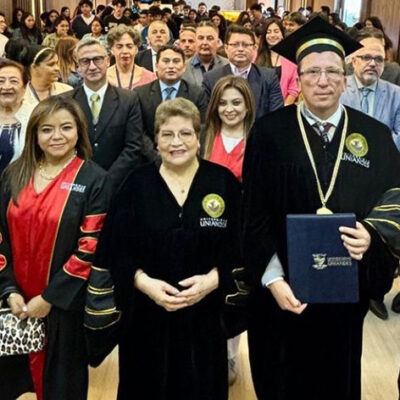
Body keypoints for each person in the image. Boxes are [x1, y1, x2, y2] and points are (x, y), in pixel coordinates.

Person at [242, 16, 400, 400]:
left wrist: (372, 235)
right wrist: (272, 279)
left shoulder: (374, 136)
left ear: (345, 77)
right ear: (299, 77)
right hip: (284, 291)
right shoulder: (269, 133)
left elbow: (396, 196)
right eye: (313, 72)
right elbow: (253, 212)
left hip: (345, 290)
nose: (323, 81)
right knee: (282, 378)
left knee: (336, 380)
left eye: (332, 71)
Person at [94, 97, 241, 400]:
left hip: (205, 315)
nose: (177, 142)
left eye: (186, 133)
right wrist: (143, 283)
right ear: (156, 140)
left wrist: (213, 280)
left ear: (198, 138)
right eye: (167, 134)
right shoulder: (136, 184)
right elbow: (115, 246)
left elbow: (241, 245)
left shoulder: (222, 182)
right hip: (145, 315)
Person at [0, 96, 112, 400]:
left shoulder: (94, 180)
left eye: (66, 127)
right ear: (34, 134)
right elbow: (1, 239)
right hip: (14, 305)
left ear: (79, 131)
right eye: (47, 129)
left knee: (62, 387)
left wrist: (49, 298)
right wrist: (9, 289)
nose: (57, 136)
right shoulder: (13, 176)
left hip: (64, 307)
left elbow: (91, 247)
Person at [67, 39, 142, 189]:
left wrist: (108, 180)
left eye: (97, 59)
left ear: (108, 61)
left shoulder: (128, 100)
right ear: (78, 66)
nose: (92, 66)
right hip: (76, 183)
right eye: (85, 61)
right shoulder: (66, 101)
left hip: (118, 184)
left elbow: (133, 146)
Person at [135, 44, 207, 161]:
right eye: (166, 61)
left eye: (176, 61)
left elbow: (201, 129)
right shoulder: (140, 94)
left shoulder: (197, 94)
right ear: (157, 66)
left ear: (184, 67)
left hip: (186, 158)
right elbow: (139, 131)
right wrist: (157, 157)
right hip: (149, 160)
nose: (171, 66)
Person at [203, 24, 284, 121]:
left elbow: (277, 115)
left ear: (254, 48)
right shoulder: (211, 78)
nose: (240, 49)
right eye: (235, 44)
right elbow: (208, 117)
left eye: (246, 45)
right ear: (226, 48)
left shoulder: (269, 77)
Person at [205, 75, 255, 182]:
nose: (229, 109)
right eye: (222, 103)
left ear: (247, 106)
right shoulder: (203, 137)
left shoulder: (257, 141)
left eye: (236, 103)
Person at [0, 59, 35, 173]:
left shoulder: (35, 116)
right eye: (1, 81)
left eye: (13, 81)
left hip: (22, 185)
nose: (6, 86)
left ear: (24, 87)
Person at [256, 18, 299, 105]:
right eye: (268, 32)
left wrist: (282, 110)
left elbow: (294, 88)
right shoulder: (255, 56)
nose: (272, 35)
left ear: (282, 34)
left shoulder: (291, 58)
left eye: (276, 31)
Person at [107, 24, 156, 90]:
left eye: (129, 46)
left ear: (136, 49)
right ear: (112, 50)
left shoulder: (150, 78)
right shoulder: (102, 78)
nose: (125, 51)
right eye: (119, 46)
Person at [183, 21, 229, 88]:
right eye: (201, 38)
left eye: (210, 38)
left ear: (218, 42)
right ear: (195, 41)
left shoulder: (227, 66)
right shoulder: (183, 68)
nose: (205, 42)